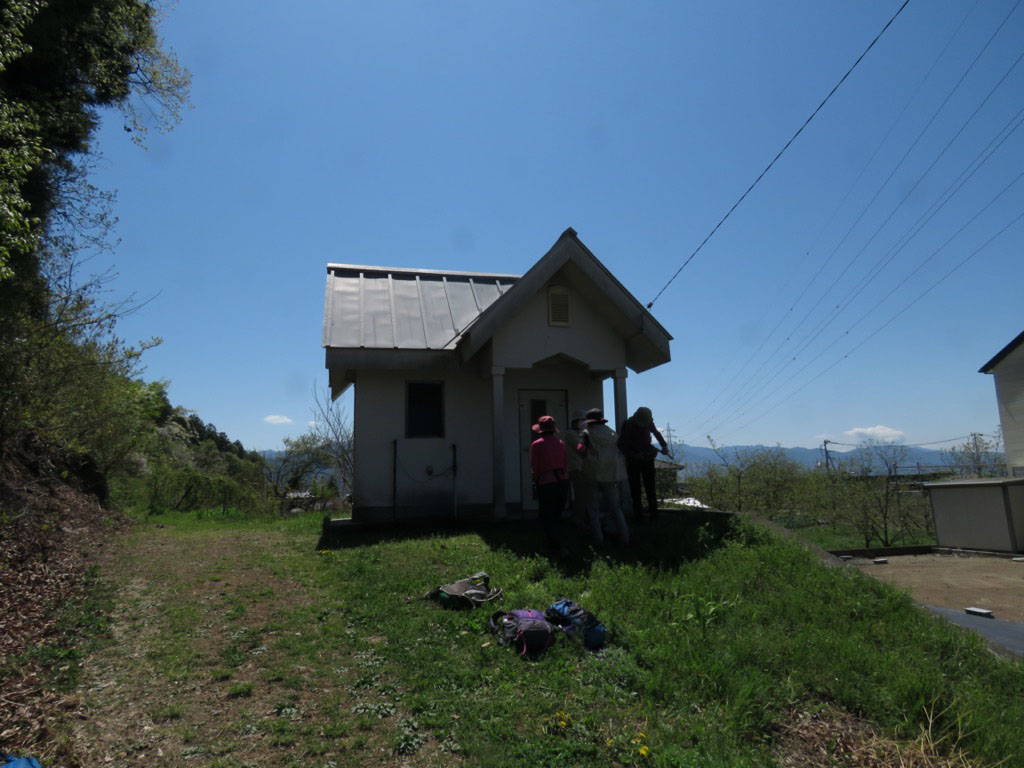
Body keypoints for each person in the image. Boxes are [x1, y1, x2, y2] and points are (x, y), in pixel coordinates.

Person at [577, 408, 629, 546]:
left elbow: (580, 449)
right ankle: (625, 537)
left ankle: (598, 539)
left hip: (592, 473)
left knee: (593, 508)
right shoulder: (612, 433)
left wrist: (585, 457)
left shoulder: (586, 433)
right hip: (610, 474)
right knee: (615, 508)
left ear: (589, 421)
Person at [617, 406, 669, 522]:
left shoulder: (649, 422)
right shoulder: (628, 425)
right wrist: (634, 455)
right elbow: (622, 445)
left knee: (650, 487)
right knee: (635, 490)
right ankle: (638, 517)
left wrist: (664, 446)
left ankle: (654, 515)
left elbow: (656, 433)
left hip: (648, 458)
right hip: (633, 461)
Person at [530, 415, 568, 557]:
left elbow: (535, 467)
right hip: (562, 482)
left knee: (548, 515)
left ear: (541, 429)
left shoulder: (537, 444)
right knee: (557, 515)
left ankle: (555, 547)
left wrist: (536, 480)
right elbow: (565, 464)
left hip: (546, 483)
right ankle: (559, 544)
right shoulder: (561, 443)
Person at [565, 410, 587, 524]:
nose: (584, 423)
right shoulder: (571, 434)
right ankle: (579, 519)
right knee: (580, 495)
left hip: (583, 468)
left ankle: (581, 518)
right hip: (576, 467)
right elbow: (580, 448)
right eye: (581, 420)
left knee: (583, 494)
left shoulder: (580, 433)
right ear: (575, 422)